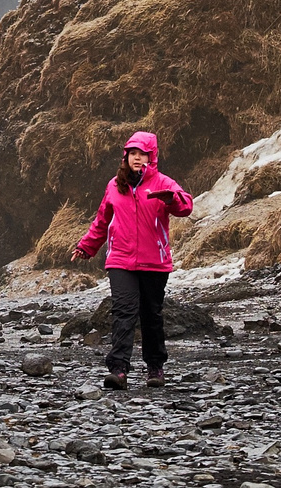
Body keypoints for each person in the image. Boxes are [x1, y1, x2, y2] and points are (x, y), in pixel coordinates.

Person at [70, 131, 193, 389]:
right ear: (125, 157)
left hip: (154, 261)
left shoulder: (162, 183)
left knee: (151, 315)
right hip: (120, 260)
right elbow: (102, 221)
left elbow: (186, 206)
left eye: (143, 154)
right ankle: (118, 370)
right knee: (123, 313)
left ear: (152, 157)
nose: (137, 159)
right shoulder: (115, 185)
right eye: (133, 154)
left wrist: (170, 198)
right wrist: (87, 247)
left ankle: (155, 369)